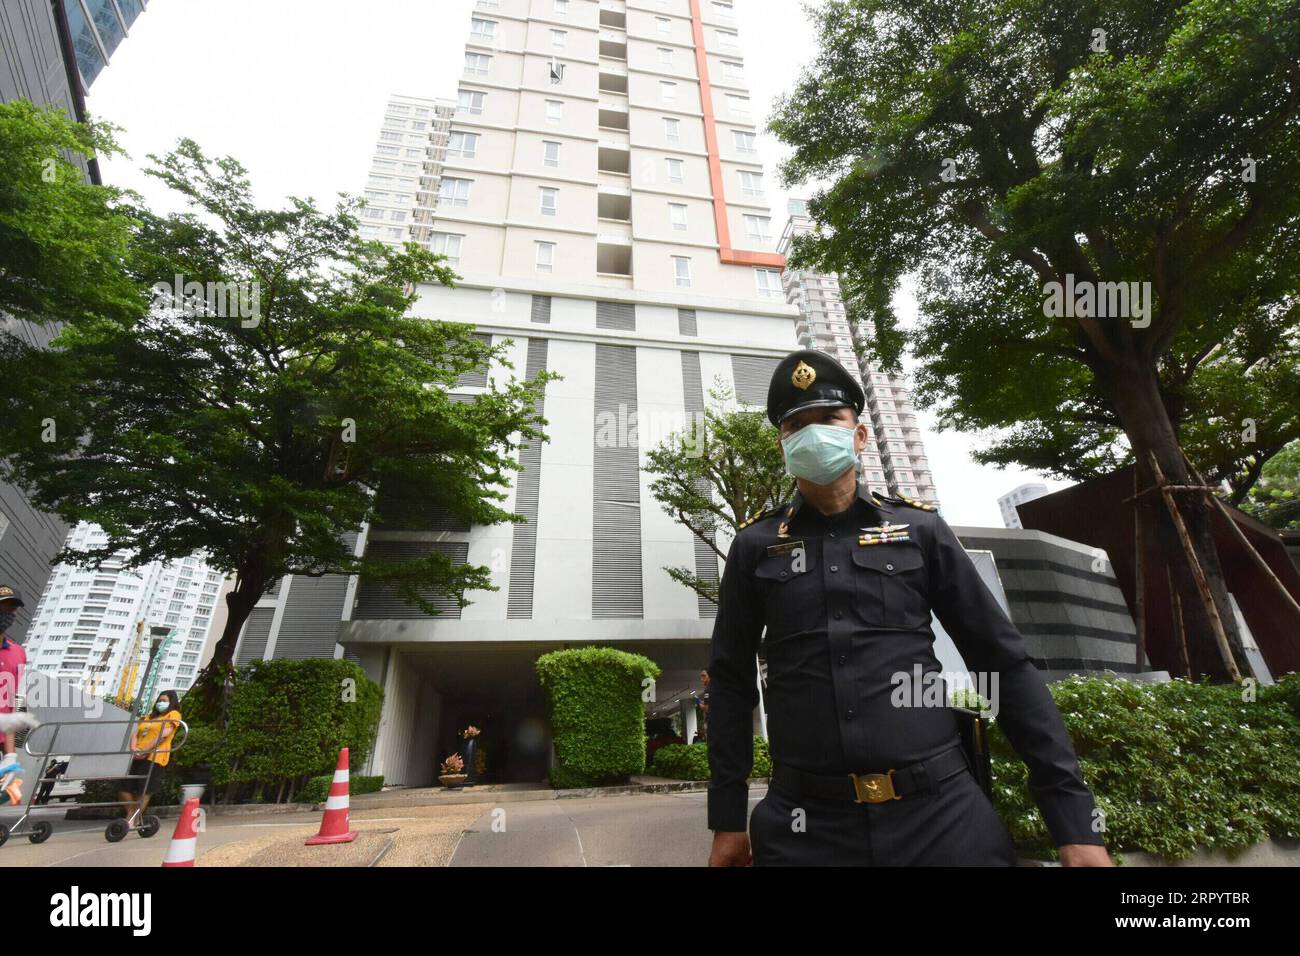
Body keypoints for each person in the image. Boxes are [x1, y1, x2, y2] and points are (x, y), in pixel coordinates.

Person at [706, 349, 1112, 867]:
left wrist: (1075, 824)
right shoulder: (754, 546)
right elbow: (732, 682)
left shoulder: (920, 530)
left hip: (942, 817)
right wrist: (727, 822)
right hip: (805, 826)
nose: (813, 434)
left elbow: (1003, 663)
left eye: (829, 419)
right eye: (796, 426)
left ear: (859, 435)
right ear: (783, 444)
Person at [117, 689, 182, 820]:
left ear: (171, 702)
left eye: (164, 701)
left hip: (154, 757)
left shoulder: (173, 714)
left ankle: (133, 818)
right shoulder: (148, 717)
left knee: (145, 789)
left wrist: (146, 751)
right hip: (136, 755)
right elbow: (135, 734)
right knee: (123, 787)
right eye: (159, 700)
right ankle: (131, 813)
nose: (160, 703)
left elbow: (163, 735)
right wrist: (134, 749)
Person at [0, 585, 33, 805]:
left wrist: (10, 754)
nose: (7, 613)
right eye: (2, 607)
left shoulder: (18, 653)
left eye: (11, 608)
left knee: (6, 793)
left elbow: (9, 704)